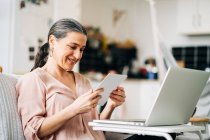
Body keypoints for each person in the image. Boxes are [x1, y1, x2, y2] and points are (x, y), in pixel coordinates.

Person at [16, 18, 126, 140]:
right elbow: (32, 132)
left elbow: (96, 131)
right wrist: (74, 109)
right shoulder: (33, 80)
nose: (78, 55)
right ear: (52, 41)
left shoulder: (83, 81)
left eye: (82, 49)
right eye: (73, 47)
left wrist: (110, 106)